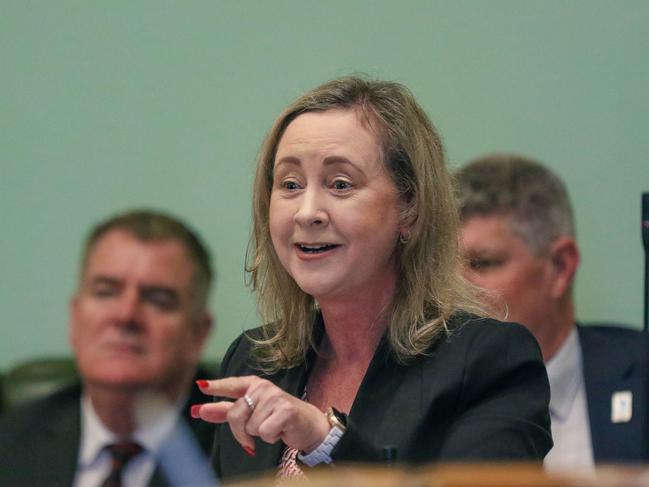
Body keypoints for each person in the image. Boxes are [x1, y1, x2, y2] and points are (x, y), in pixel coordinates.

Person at [192, 76, 552, 481]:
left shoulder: (488, 361)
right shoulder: (254, 360)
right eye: (289, 184)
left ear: (410, 209)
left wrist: (324, 441)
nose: (307, 212)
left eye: (340, 184)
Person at [455, 154, 648, 470]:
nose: (456, 287)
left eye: (482, 263)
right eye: (443, 269)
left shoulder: (640, 375)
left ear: (560, 266)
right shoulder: (418, 395)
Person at [0, 210, 218, 486]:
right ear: (75, 318)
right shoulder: (11, 443)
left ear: (198, 334)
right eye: (106, 292)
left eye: (157, 300)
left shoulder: (238, 449)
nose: (126, 315)